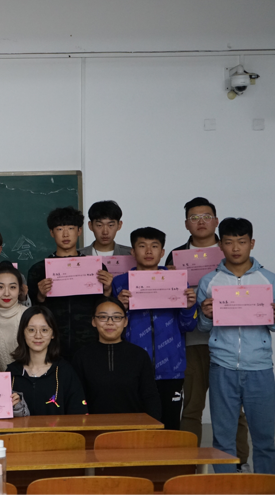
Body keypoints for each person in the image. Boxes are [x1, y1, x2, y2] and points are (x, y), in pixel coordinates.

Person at [197, 218, 275, 474]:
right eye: (229, 242)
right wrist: (206, 315)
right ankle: (226, 487)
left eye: (242, 242)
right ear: (220, 246)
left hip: (260, 368)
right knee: (223, 439)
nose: (236, 248)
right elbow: (202, 326)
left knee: (264, 439)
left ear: (252, 243)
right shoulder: (209, 281)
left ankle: (266, 487)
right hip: (222, 366)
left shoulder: (269, 279)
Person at [164, 198, 249, 468]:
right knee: (191, 407)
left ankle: (238, 463)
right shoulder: (175, 256)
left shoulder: (231, 250)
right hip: (192, 342)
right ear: (186, 224)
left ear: (216, 221)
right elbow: (167, 299)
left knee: (234, 408)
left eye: (206, 216)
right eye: (194, 217)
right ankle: (188, 464)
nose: (200, 221)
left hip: (229, 340)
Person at [111, 227, 198, 430]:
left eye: (154, 246)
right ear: (133, 252)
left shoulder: (177, 281)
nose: (149, 251)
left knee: (170, 427)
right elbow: (112, 330)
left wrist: (189, 307)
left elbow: (189, 326)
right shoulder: (120, 283)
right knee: (134, 429)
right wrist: (120, 308)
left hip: (171, 368)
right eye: (142, 246)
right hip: (132, 368)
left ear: (162, 252)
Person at [27, 206, 113, 360]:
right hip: (51, 342)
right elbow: (31, 310)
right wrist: (40, 296)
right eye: (59, 229)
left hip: (89, 341)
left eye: (71, 228)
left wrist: (107, 290)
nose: (65, 234)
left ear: (79, 231)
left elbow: (103, 308)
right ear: (52, 233)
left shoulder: (95, 267)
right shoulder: (39, 269)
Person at [72, 297, 162, 420]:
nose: (110, 322)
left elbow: (150, 396)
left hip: (134, 427)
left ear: (125, 321)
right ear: (93, 321)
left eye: (117, 317)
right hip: (93, 426)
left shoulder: (139, 355)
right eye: (103, 317)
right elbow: (76, 400)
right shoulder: (82, 356)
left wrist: (151, 426)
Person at [7, 306, 87, 415]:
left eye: (44, 330)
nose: (38, 335)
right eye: (31, 330)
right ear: (23, 333)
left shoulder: (65, 372)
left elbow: (79, 414)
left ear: (53, 334)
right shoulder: (11, 373)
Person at [0, 261, 29, 372]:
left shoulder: (30, 316)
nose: (6, 293)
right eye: (0, 287)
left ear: (20, 290)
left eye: (12, 287)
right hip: (1, 381)